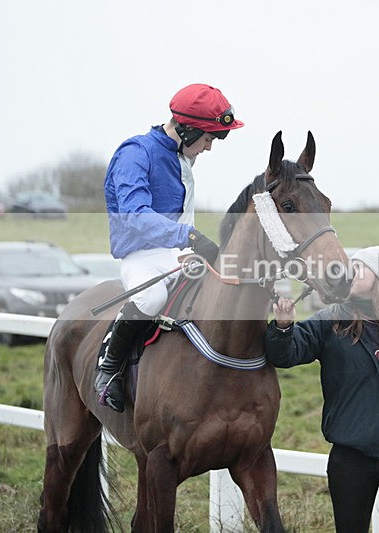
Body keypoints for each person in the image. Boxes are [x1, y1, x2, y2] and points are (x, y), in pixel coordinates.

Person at [266, 244, 379, 532]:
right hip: (349, 459)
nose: (350, 273)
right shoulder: (330, 321)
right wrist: (283, 327)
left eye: (359, 268)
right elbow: (284, 355)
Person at [95, 83, 244, 412]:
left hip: (178, 252)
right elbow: (135, 215)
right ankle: (109, 366)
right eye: (208, 139)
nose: (209, 148)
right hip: (142, 255)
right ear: (188, 129)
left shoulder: (181, 156)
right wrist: (189, 237)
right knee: (152, 298)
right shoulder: (135, 153)